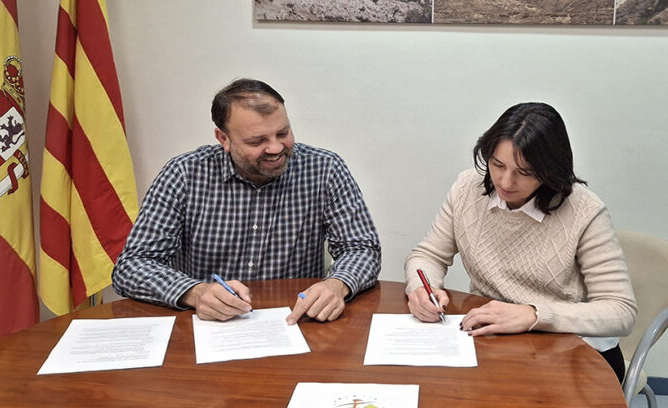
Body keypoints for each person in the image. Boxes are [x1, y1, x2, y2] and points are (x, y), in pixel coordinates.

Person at [112, 78, 381, 325]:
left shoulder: (324, 169)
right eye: (257, 140)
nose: (275, 148)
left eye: (283, 133)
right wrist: (195, 293)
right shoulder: (185, 174)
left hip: (295, 323)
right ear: (223, 139)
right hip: (208, 326)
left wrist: (336, 284)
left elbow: (362, 248)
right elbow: (132, 265)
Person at [405, 102, 637, 381]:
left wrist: (533, 315)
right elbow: (428, 256)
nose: (505, 181)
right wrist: (421, 289)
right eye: (497, 164)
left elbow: (620, 311)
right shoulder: (468, 189)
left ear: (550, 169)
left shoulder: (585, 212)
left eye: (524, 172)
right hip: (494, 343)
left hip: (573, 353)